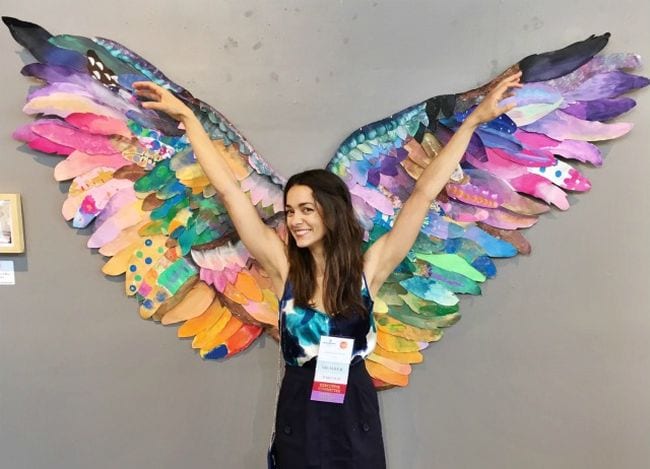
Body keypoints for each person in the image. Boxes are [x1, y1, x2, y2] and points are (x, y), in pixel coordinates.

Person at [133, 71, 522, 468]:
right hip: (299, 413)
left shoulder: (369, 270)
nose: (295, 220)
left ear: (331, 212)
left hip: (354, 414)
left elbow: (422, 195)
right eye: (289, 211)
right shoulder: (283, 268)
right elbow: (232, 193)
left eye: (306, 209)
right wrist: (190, 121)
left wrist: (473, 121)